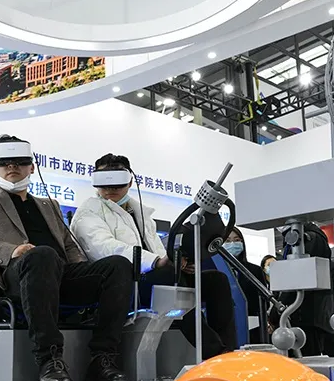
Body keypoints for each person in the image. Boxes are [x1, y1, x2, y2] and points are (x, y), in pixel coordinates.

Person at [0, 135, 132, 381]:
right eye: (4, 163)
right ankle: (49, 361)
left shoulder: (49, 204)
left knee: (118, 266)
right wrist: (11, 251)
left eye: (19, 161)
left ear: (32, 167)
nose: (12, 167)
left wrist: (83, 270)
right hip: (15, 275)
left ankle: (102, 359)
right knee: (42, 255)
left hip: (57, 274)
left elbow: (69, 247)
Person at [70, 153, 237, 359]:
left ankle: (229, 350)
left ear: (130, 181)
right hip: (122, 284)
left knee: (216, 281)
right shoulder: (89, 211)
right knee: (169, 278)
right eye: (105, 182)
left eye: (117, 181)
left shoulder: (140, 213)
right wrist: (157, 262)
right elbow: (104, 248)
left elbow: (157, 250)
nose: (110, 188)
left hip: (152, 278)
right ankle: (216, 353)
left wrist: (178, 263)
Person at [273, 222, 334, 356]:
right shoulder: (310, 238)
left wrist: (277, 307)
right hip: (311, 315)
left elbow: (296, 277)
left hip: (307, 315)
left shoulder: (308, 239)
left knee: (307, 359)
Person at [223, 228, 267, 343]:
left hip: (252, 327)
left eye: (236, 240)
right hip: (225, 327)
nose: (232, 244)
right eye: (228, 241)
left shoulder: (254, 270)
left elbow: (263, 301)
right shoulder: (216, 270)